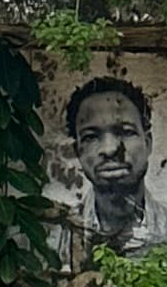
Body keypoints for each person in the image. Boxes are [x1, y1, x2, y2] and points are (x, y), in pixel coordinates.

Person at [63, 75, 158, 255]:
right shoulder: (53, 238)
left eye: (125, 132)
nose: (110, 149)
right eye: (91, 136)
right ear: (77, 151)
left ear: (148, 143)